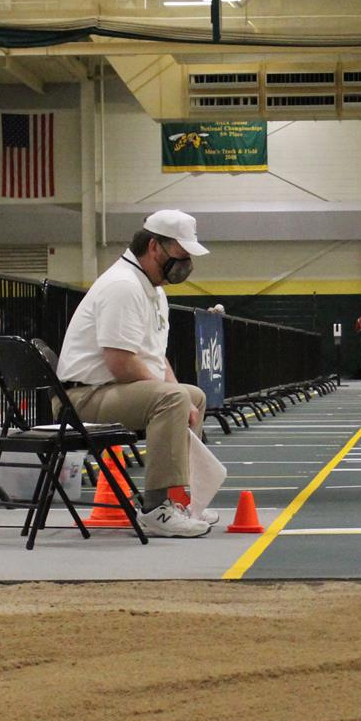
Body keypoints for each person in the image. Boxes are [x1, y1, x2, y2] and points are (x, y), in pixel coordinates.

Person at [57, 210, 218, 539]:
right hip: (81, 398)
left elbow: (156, 359)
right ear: (156, 247)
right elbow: (121, 363)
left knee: (192, 396)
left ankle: (179, 499)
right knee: (172, 398)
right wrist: (173, 397)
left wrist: (182, 398)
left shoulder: (153, 291)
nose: (186, 263)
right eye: (182, 254)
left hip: (108, 391)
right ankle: (156, 508)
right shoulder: (123, 286)